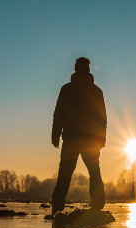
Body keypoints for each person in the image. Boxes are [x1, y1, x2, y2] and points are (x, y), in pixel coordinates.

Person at [51, 57, 106, 214]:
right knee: (92, 172)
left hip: (77, 139)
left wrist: (55, 134)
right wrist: (102, 139)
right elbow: (102, 118)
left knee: (67, 174)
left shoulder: (70, 89)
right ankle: (97, 206)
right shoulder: (93, 91)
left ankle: (57, 207)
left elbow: (58, 114)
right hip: (85, 140)